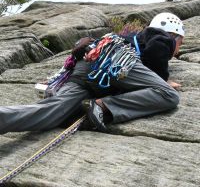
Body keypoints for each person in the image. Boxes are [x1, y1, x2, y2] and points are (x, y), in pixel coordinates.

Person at [0, 12, 184, 134]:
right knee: (168, 95)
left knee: (53, 111)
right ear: (174, 34)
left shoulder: (132, 38)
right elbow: (156, 49)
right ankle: (101, 106)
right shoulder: (160, 36)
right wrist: (162, 80)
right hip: (114, 61)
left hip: (86, 69)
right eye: (180, 43)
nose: (178, 50)